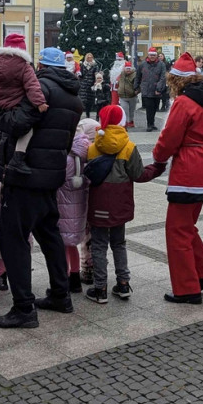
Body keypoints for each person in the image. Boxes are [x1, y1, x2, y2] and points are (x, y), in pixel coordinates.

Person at [0, 47, 84, 329]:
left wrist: (0, 115)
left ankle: (24, 308)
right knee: (49, 234)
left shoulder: (41, 88)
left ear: (40, 65)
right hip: (51, 174)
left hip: (24, 175)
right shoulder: (74, 97)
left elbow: (18, 123)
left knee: (12, 238)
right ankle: (60, 294)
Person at [152, 53, 203, 304]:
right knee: (186, 227)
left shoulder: (184, 103)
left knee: (176, 230)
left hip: (189, 171)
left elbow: (169, 138)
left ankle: (187, 288)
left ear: (176, 80)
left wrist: (158, 158)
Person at [84, 105, 164, 304]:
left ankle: (100, 288)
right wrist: (157, 168)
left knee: (99, 245)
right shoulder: (128, 147)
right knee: (119, 243)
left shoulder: (93, 147)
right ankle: (123, 284)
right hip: (121, 203)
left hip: (98, 203)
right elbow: (139, 175)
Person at [0, 33, 47, 178]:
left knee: (6, 137)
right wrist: (40, 102)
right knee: (27, 130)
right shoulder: (23, 65)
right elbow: (32, 85)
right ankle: (18, 158)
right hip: (16, 107)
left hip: (0, 109)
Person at [58, 118, 94, 293]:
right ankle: (75, 278)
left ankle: (64, 279)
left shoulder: (64, 159)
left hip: (62, 208)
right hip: (80, 209)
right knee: (73, 244)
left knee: (63, 244)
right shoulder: (85, 155)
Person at [136, 47, 167, 132]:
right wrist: (136, 87)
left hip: (157, 90)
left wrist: (159, 88)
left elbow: (163, 77)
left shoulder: (161, 64)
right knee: (149, 108)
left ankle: (152, 123)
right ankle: (149, 124)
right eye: (151, 55)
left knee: (155, 108)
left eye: (154, 55)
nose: (152, 56)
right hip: (146, 90)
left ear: (156, 56)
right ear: (148, 55)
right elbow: (138, 76)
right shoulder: (142, 64)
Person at [79, 53, 101, 118]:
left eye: (91, 57)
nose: (89, 58)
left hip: (91, 85)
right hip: (84, 85)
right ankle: (85, 114)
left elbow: (96, 74)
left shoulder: (95, 65)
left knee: (90, 101)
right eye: (88, 57)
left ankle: (88, 114)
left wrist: (96, 82)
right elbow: (81, 74)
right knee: (83, 101)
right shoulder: (83, 65)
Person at [117, 62, 138, 127]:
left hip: (132, 95)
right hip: (122, 95)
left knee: (131, 110)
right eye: (127, 69)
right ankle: (125, 122)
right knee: (124, 109)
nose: (128, 70)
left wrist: (137, 91)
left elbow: (138, 83)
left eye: (129, 69)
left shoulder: (135, 75)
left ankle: (131, 121)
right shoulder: (121, 74)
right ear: (124, 69)